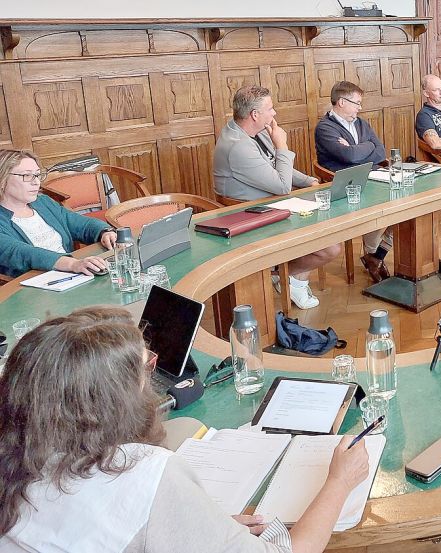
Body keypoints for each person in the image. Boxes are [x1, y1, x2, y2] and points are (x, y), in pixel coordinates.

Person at [0, 306, 370, 552]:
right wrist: (339, 482)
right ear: (115, 400)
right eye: (147, 368)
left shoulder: (17, 458)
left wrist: (202, 528)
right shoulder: (142, 473)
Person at [214, 85, 341, 308]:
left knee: (330, 237)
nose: (274, 114)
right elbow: (282, 185)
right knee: (330, 247)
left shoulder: (254, 132)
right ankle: (285, 277)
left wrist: (307, 180)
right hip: (251, 217)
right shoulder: (238, 147)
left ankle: (293, 280)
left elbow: (275, 168)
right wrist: (282, 145)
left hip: (271, 206)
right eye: (271, 109)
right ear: (255, 115)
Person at [314, 80, 393, 284]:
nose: (360, 107)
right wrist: (366, 147)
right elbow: (349, 156)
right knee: (386, 207)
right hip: (347, 186)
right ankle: (373, 254)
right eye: (357, 103)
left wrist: (358, 148)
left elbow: (380, 151)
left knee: (406, 206)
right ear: (341, 102)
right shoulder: (325, 128)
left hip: (374, 177)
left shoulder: (360, 123)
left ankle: (376, 254)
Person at [0, 149, 117, 279]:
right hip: (32, 288)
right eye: (27, 176)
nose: (36, 182)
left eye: (37, 175)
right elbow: (22, 253)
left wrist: (105, 232)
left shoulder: (43, 203)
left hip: (72, 276)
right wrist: (72, 264)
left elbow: (81, 223)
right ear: (2, 179)